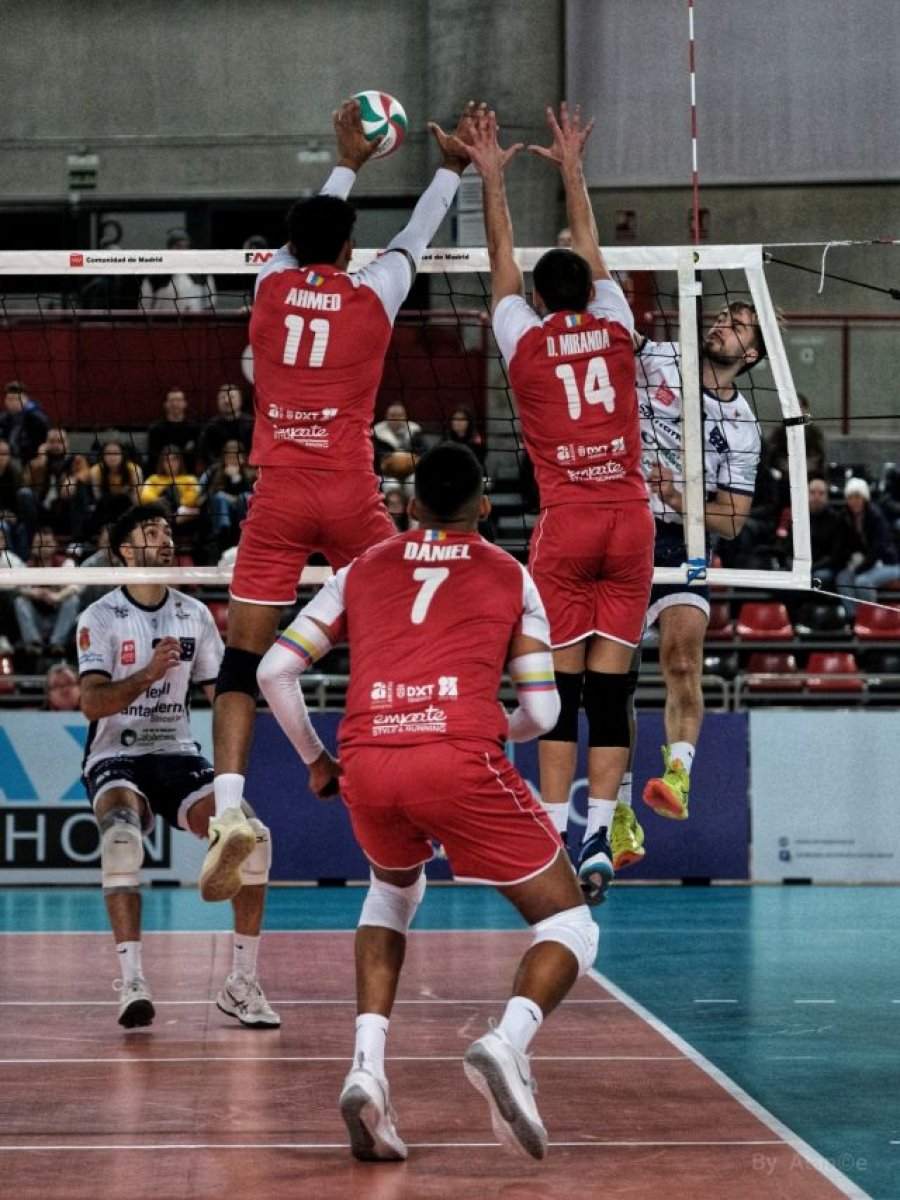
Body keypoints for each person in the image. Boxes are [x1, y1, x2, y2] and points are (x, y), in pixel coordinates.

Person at [258, 442, 596, 1162]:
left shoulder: (359, 569)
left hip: (368, 760)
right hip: (459, 756)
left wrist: (318, 761)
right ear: (484, 507)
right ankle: (507, 1044)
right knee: (570, 922)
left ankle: (366, 1070)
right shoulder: (511, 575)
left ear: (411, 508)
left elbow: (273, 671)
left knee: (390, 894)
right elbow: (543, 711)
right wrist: (483, 725)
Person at [200, 96, 474, 903]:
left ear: (289, 247)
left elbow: (308, 237)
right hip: (351, 490)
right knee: (402, 643)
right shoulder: (373, 292)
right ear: (351, 249)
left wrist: (347, 162)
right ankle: (417, 793)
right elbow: (416, 234)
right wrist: (451, 169)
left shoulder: (270, 287)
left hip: (280, 494)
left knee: (242, 663)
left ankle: (228, 811)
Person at [462, 103, 654, 906]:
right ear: (589, 292)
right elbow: (591, 248)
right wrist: (574, 168)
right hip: (631, 520)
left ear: (540, 299)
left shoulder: (525, 338)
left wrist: (492, 175)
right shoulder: (615, 324)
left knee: (561, 698)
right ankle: (598, 838)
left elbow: (501, 256)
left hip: (568, 523)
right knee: (611, 696)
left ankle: (547, 836)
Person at [76, 503, 279, 1029]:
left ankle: (242, 983)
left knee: (255, 838)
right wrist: (147, 675)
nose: (165, 539)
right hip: (115, 754)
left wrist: (273, 674)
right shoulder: (99, 617)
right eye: (151, 532)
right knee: (121, 840)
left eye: (168, 530)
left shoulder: (194, 614)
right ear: (125, 550)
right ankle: (133, 982)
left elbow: (222, 695)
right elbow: (92, 703)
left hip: (178, 754)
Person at [632, 293, 765, 834]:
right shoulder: (663, 358)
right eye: (723, 317)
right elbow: (616, 331)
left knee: (682, 661)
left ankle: (678, 776)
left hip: (681, 537)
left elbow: (731, 521)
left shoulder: (742, 426)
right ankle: (616, 813)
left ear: (750, 355)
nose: (723, 325)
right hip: (621, 523)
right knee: (613, 680)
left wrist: (677, 496)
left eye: (738, 326)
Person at [13, 527, 81, 658]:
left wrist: (58, 596)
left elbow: (75, 586)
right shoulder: (26, 565)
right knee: (20, 601)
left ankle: (57, 643)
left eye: (47, 543)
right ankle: (34, 643)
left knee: (73, 600)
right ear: (33, 546)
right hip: (37, 618)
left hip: (58, 618)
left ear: (55, 544)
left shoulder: (66, 563)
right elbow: (19, 588)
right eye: (39, 543)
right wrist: (34, 593)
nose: (43, 547)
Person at [830, 477, 900, 603]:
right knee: (842, 578)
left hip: (887, 563)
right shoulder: (845, 517)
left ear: (865, 498)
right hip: (861, 562)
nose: (854, 501)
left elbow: (878, 548)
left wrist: (860, 568)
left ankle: (869, 614)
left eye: (857, 497)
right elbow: (841, 545)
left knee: (862, 582)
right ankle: (853, 614)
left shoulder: (876, 516)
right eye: (850, 497)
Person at [199, 439, 257, 557]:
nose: (233, 460)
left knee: (245, 497)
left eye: (236, 456)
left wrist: (236, 478)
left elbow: (254, 494)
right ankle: (223, 529)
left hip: (242, 516)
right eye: (230, 457)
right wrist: (225, 493)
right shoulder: (214, 471)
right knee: (220, 497)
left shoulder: (251, 474)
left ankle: (245, 533)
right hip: (217, 516)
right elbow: (207, 495)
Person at [140, 229, 217, 313]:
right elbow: (144, 308)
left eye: (186, 247)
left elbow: (210, 306)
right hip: (163, 320)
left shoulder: (203, 275)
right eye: (178, 247)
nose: (183, 251)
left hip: (194, 320)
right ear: (169, 249)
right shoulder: (154, 277)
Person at [373, 400, 429, 493]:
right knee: (391, 485)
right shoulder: (377, 433)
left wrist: (409, 459)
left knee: (414, 481)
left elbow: (424, 452)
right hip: (387, 474)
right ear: (386, 416)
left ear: (405, 416)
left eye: (400, 415)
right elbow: (375, 457)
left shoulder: (415, 431)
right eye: (393, 415)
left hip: (411, 472)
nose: (396, 419)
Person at [145, 386, 201, 474]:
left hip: (188, 475)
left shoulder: (194, 429)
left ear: (185, 404)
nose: (175, 404)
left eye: (178, 400)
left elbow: (196, 457)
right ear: (165, 404)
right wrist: (184, 451)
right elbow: (153, 458)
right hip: (161, 475)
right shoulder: (155, 429)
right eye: (171, 401)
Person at [197, 383, 254, 468]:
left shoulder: (252, 425)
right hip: (218, 470)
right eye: (223, 397)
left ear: (240, 400)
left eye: (231, 397)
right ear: (217, 402)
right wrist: (222, 467)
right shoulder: (210, 428)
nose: (227, 400)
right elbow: (205, 453)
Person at [0, 380, 50, 467]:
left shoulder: (37, 417)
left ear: (26, 400)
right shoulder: (4, 417)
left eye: (16, 399)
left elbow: (47, 438)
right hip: (8, 456)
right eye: (10, 399)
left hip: (28, 458)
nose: (13, 403)